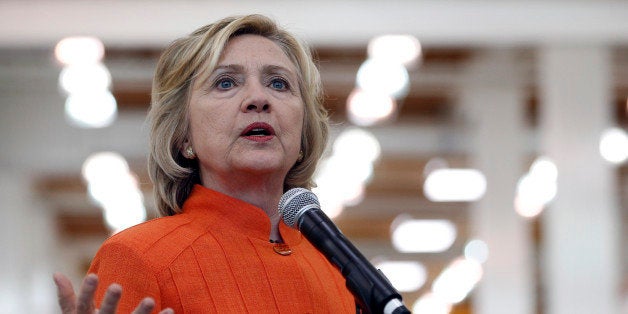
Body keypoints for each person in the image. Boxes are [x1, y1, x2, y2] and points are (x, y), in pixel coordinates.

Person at [54, 14, 356, 313]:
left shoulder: (340, 269)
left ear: (304, 134)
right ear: (183, 135)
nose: (258, 98)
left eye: (278, 83)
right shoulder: (138, 257)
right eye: (225, 83)